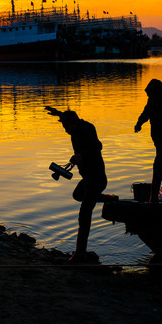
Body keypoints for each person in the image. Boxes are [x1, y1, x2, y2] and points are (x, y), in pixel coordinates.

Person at [45, 106, 116, 263]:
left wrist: (80, 155)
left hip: (96, 178)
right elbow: (68, 116)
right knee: (77, 195)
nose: (65, 130)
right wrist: (57, 113)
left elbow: (98, 145)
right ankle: (107, 198)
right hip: (88, 178)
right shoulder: (75, 124)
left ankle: (80, 253)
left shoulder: (87, 129)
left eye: (66, 127)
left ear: (73, 123)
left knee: (84, 214)